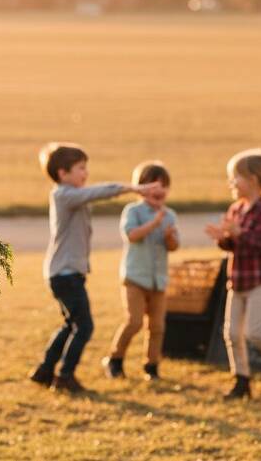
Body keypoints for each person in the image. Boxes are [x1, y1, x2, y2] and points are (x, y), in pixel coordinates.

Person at [29, 143, 161, 393]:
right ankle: (65, 376)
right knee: (84, 326)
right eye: (81, 168)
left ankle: (44, 371)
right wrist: (133, 188)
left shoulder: (69, 194)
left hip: (66, 273)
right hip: (65, 274)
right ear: (62, 174)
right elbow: (96, 193)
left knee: (71, 324)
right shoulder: (63, 195)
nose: (86, 173)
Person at [204, 149, 261, 399]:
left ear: (253, 180)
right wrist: (223, 238)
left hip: (260, 281)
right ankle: (242, 379)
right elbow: (233, 246)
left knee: (254, 331)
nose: (231, 183)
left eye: (235, 178)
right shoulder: (237, 209)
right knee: (232, 333)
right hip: (238, 280)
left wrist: (238, 234)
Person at [102, 161, 178, 381]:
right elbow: (131, 235)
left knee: (157, 326)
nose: (159, 190)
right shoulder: (133, 211)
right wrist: (154, 224)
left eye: (164, 185)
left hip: (158, 279)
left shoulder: (170, 215)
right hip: (135, 276)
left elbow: (174, 246)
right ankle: (115, 359)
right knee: (134, 321)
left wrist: (169, 237)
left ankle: (151, 366)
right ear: (141, 189)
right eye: (153, 186)